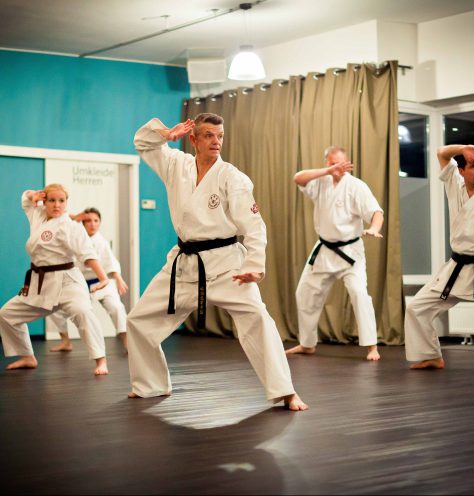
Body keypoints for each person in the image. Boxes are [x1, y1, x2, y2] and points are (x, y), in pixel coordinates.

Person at [127, 113, 308, 411]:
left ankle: (286, 391)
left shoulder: (232, 177)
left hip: (227, 267)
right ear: (193, 139)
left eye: (220, 136)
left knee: (258, 318)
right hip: (184, 265)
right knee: (138, 321)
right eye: (209, 135)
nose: (216, 141)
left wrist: (254, 266)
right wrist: (164, 134)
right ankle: (150, 384)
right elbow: (142, 143)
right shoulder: (176, 164)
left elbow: (254, 226)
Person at [405, 144, 474, 369]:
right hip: (457, 268)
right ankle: (431, 355)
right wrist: (464, 148)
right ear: (461, 171)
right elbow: (441, 153)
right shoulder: (455, 185)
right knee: (417, 308)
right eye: (473, 166)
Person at [285, 146, 384, 361]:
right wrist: (327, 171)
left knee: (359, 293)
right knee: (304, 294)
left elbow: (376, 212)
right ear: (327, 163)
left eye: (341, 163)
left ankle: (372, 346)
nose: (337, 167)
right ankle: (307, 344)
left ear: (348, 163)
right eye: (332, 163)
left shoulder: (356, 186)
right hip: (324, 250)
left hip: (350, 252)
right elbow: (298, 178)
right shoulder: (321, 181)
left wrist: (374, 228)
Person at [0, 184, 110, 375]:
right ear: (44, 201)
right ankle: (27, 356)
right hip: (40, 283)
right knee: (7, 315)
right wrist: (32, 195)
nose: (56, 205)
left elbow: (87, 254)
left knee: (82, 311)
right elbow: (26, 200)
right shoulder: (38, 215)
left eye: (61, 200)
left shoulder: (71, 226)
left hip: (68, 281)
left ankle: (101, 360)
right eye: (51, 200)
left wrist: (103, 277)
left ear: (67, 202)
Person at [48, 207, 129, 351]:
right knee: (54, 307)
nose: (92, 224)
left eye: (96, 221)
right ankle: (65, 341)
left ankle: (127, 342)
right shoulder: (73, 237)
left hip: (101, 281)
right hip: (79, 284)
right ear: (82, 223)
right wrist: (74, 218)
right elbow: (59, 222)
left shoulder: (102, 242)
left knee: (116, 307)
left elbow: (110, 262)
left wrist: (118, 278)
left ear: (100, 223)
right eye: (88, 221)